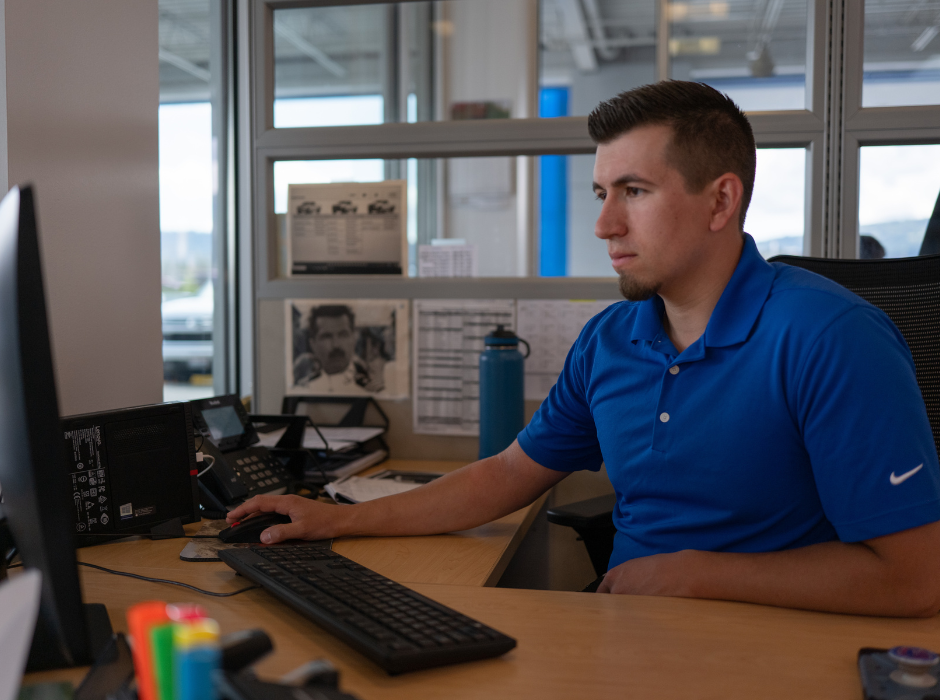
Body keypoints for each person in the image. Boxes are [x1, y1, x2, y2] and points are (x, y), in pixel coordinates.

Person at [231, 81, 940, 617]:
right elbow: (506, 475)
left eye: (634, 191)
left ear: (721, 202)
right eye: (602, 191)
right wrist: (339, 520)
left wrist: (693, 574)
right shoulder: (610, 340)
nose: (604, 223)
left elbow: (915, 576)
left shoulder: (830, 339)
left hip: (756, 643)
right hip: (628, 628)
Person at [293, 304, 385, 394]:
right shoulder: (305, 387)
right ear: (313, 345)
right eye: (326, 337)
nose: (336, 345)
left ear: (354, 339)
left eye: (343, 335)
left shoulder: (372, 389)